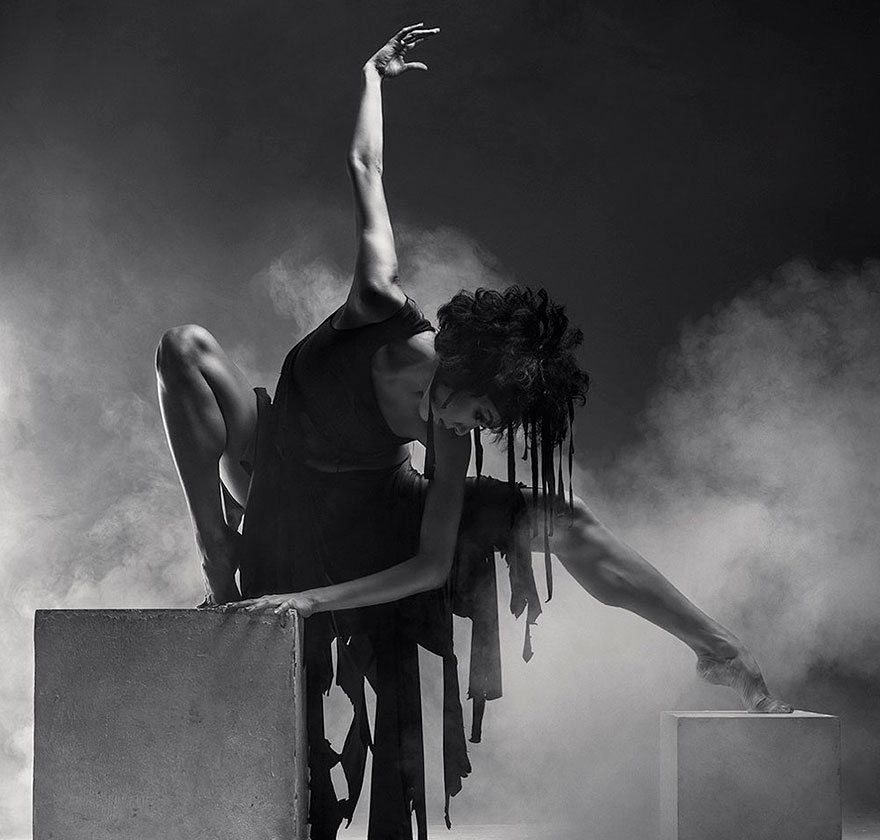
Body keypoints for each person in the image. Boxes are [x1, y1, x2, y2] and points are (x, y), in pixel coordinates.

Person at [155, 23, 791, 840]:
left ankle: (719, 650)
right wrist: (372, 78)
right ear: (464, 368)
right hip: (274, 488)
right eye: (484, 414)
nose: (478, 431)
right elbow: (365, 168)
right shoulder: (378, 303)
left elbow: (427, 565)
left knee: (561, 520)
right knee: (184, 347)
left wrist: (311, 601)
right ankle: (216, 554)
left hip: (373, 523)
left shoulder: (447, 439)